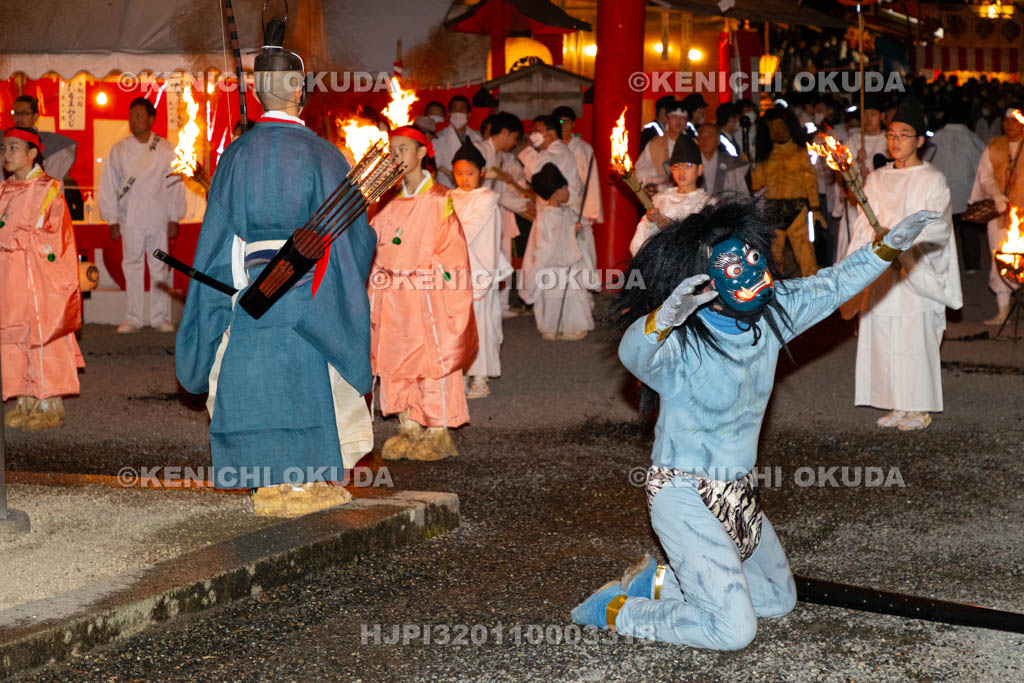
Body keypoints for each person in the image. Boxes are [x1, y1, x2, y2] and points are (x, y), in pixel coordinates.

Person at [572, 198, 943, 649]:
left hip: (741, 492)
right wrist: (668, 315)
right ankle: (615, 609)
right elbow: (634, 353)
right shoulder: (680, 346)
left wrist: (889, 247)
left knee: (776, 599)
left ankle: (656, 583)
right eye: (732, 266)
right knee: (733, 630)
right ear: (705, 281)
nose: (750, 271)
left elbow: (835, 283)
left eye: (752, 257)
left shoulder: (772, 315)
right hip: (683, 495)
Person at [176, 24, 375, 516]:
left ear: (256, 91)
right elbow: (354, 236)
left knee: (254, 377)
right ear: (299, 91)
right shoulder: (324, 154)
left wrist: (221, 299)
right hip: (308, 290)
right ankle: (308, 479)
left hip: (252, 290)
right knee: (307, 380)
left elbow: (217, 241)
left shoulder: (235, 155)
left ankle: (264, 478)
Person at [844, 96, 962, 431]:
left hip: (914, 270)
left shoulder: (932, 179)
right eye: (891, 134)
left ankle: (918, 406)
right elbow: (863, 222)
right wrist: (875, 240)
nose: (895, 141)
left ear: (920, 140)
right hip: (883, 268)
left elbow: (936, 225)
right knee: (883, 332)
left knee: (912, 336)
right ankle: (895, 401)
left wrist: (904, 244)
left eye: (904, 135)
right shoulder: (877, 179)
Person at [369, 125, 476, 462]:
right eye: (393, 149)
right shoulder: (385, 201)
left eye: (404, 148)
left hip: (427, 294)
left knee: (432, 359)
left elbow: (452, 253)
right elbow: (373, 246)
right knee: (396, 360)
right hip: (392, 295)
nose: (397, 155)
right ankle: (408, 424)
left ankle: (437, 429)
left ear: (422, 153)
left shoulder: (440, 199)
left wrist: (431, 281)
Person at [0, 126, 83, 430]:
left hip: (37, 279)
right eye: (3, 148)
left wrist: (24, 241)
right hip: (10, 280)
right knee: (15, 336)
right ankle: (24, 402)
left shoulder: (48, 188)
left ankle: (47, 407)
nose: (6, 155)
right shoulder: (5, 189)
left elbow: (56, 236)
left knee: (40, 337)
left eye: (13, 148)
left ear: (32, 152)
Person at [98, 97, 185, 334]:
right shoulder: (119, 150)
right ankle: (133, 317)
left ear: (151, 119)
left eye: (139, 115)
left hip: (158, 217)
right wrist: (112, 219)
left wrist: (174, 216)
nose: (134, 120)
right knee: (132, 266)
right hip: (131, 219)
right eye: (131, 116)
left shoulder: (165, 148)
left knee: (159, 267)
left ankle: (160, 317)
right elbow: (108, 185)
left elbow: (175, 183)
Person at [450, 140, 512, 399]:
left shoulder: (487, 198)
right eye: (459, 173)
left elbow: (468, 229)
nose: (464, 179)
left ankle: (480, 376)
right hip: (453, 269)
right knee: (457, 326)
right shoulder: (448, 197)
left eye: (471, 173)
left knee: (480, 325)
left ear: (483, 172)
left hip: (478, 269)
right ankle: (460, 372)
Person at [519, 163, 597, 341]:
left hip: (569, 265)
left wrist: (579, 230)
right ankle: (552, 327)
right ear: (556, 191)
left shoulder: (566, 212)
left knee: (572, 297)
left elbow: (573, 234)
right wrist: (571, 234)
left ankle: (572, 327)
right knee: (554, 297)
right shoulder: (545, 216)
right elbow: (549, 244)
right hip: (553, 266)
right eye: (565, 188)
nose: (568, 191)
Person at [751, 107, 821, 277]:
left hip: (797, 206)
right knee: (774, 254)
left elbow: (810, 182)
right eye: (773, 128)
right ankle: (774, 289)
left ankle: (814, 289)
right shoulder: (766, 155)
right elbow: (756, 184)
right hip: (774, 207)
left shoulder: (800, 152)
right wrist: (750, 167)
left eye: (781, 126)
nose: (778, 131)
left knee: (805, 253)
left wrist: (816, 208)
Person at [970, 106, 1024, 326]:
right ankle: (1003, 310)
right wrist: (995, 195)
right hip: (999, 213)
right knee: (1000, 259)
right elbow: (985, 175)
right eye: (1006, 121)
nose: (1009, 125)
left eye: (1014, 120)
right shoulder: (994, 146)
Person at [474, 112, 531, 316]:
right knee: (481, 260)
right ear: (505, 133)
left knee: (499, 259)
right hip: (476, 215)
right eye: (514, 138)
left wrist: (528, 206)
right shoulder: (478, 150)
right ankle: (482, 304)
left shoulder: (501, 157)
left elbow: (504, 193)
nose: (514, 143)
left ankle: (500, 304)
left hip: (495, 212)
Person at [630, 136, 710, 256]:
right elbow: (638, 245)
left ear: (699, 169)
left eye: (688, 166)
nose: (681, 172)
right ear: (671, 170)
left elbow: (698, 241)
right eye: (676, 167)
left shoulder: (706, 202)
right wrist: (651, 223)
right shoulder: (659, 200)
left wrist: (662, 222)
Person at [929, 102, 986, 273]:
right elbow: (982, 163)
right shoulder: (971, 137)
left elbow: (926, 161)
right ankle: (972, 264)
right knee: (969, 232)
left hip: (943, 193)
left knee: (945, 231)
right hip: (967, 193)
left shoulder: (936, 137)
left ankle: (943, 264)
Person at [553, 105, 604, 232]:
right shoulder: (552, 148)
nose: (563, 125)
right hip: (554, 203)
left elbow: (591, 180)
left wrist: (590, 211)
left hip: (577, 204)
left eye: (567, 122)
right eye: (560, 121)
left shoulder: (584, 149)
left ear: (573, 124)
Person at [518, 115, 583, 213]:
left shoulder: (559, 150)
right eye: (532, 132)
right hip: (549, 211)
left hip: (563, 211)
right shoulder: (545, 153)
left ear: (551, 133)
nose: (532, 136)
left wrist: (528, 149)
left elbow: (539, 166)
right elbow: (531, 175)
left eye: (537, 131)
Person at [12, 95, 77, 187]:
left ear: (35, 116)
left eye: (25, 113)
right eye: (16, 113)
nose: (19, 118)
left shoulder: (51, 144)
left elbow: (53, 179)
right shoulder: (7, 142)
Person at [636, 101, 687, 194]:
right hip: (662, 196)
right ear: (667, 119)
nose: (678, 121)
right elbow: (641, 171)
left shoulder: (694, 144)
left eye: (682, 118)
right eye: (674, 117)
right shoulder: (655, 144)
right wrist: (656, 180)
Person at [433, 95, 482, 188]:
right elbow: (437, 164)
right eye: (455, 109)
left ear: (469, 115)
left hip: (472, 189)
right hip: (447, 188)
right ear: (449, 114)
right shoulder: (438, 138)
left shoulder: (478, 137)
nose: (458, 113)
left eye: (462, 109)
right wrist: (451, 174)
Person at [695, 123, 749, 197]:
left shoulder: (731, 162)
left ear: (718, 141)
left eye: (709, 137)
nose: (705, 140)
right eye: (701, 137)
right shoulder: (692, 163)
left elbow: (742, 192)